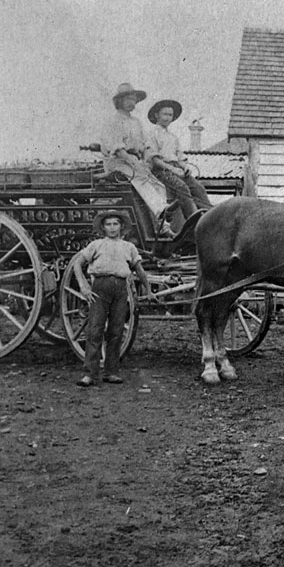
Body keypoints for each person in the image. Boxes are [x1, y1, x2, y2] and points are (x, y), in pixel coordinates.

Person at [70, 210, 156, 387]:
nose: (112, 228)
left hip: (121, 289)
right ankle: (89, 374)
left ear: (121, 227)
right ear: (103, 227)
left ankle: (111, 372)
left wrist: (148, 290)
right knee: (95, 330)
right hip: (100, 288)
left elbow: (139, 270)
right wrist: (83, 286)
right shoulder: (96, 245)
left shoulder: (129, 247)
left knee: (116, 332)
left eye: (115, 224)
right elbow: (77, 264)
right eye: (108, 224)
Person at [99, 83, 174, 237]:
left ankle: (162, 225)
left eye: (134, 99)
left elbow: (143, 146)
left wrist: (145, 162)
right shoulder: (113, 121)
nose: (131, 102)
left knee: (157, 184)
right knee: (140, 177)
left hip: (133, 161)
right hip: (117, 161)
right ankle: (160, 209)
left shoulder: (136, 122)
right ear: (119, 101)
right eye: (128, 98)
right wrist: (135, 164)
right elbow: (117, 149)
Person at [145, 99, 213, 226]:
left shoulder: (173, 137)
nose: (167, 118)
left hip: (175, 168)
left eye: (170, 115)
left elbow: (179, 156)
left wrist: (184, 166)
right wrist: (173, 169)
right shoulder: (151, 134)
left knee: (198, 188)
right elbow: (154, 159)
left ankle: (211, 218)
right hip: (161, 169)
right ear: (156, 115)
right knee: (182, 188)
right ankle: (194, 222)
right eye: (164, 114)